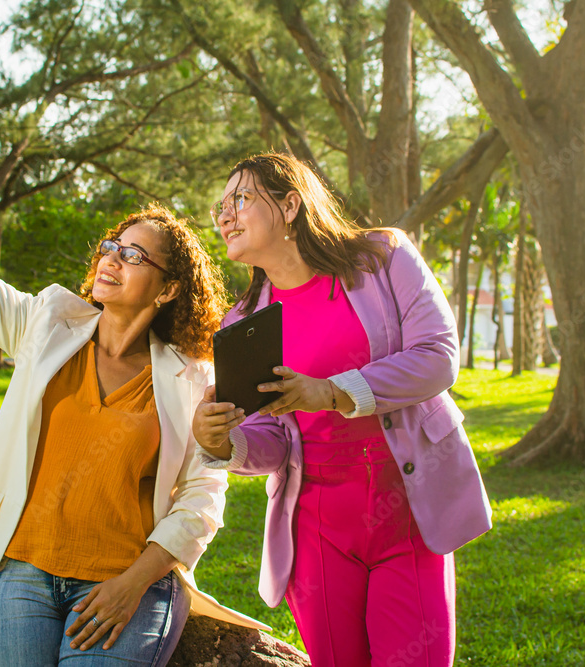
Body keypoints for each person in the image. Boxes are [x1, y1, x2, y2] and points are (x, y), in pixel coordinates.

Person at [0, 95, 266, 666]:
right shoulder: (48, 325)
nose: (112, 259)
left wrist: (133, 583)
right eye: (112, 246)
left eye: (134, 256)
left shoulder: (193, 377)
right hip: (19, 572)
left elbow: (203, 499)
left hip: (128, 582)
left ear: (168, 290)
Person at [193, 152, 492, 666]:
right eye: (222, 206)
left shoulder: (383, 257)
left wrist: (330, 391)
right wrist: (224, 442)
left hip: (407, 512)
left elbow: (438, 357)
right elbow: (273, 437)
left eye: (240, 199)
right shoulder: (242, 319)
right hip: (316, 528)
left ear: (290, 205)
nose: (225, 216)